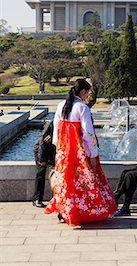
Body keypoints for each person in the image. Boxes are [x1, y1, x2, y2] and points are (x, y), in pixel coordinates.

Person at [45, 79, 117, 227]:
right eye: (87, 92)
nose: (87, 96)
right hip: (78, 151)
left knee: (65, 181)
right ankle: (81, 211)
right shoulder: (82, 108)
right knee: (83, 181)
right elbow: (88, 134)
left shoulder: (61, 106)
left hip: (63, 151)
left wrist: (59, 147)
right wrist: (93, 154)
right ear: (83, 92)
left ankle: (63, 210)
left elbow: (57, 129)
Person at [32, 121, 56, 207]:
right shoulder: (51, 124)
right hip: (41, 151)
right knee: (41, 173)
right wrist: (42, 159)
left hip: (52, 152)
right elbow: (42, 140)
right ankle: (37, 199)